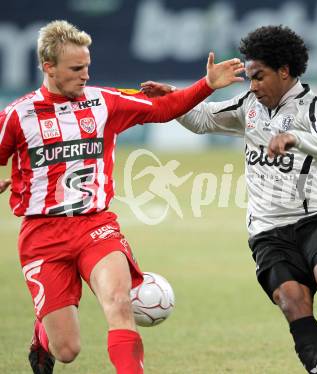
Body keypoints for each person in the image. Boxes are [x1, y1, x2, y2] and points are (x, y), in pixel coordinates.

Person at [145, 25, 317, 373]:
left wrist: (295, 138)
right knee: (292, 302)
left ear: (284, 71)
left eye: (259, 77)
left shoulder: (312, 107)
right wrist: (173, 99)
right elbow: (201, 121)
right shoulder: (248, 106)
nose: (253, 86)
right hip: (269, 228)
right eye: (250, 78)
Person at [0, 20, 244, 374]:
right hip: (41, 236)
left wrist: (206, 85)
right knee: (67, 349)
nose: (85, 75)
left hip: (94, 225)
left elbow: (163, 109)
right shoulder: (17, 116)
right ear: (48, 66)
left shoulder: (103, 102)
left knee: (119, 303)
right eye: (76, 68)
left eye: (87, 66)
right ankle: (43, 337)